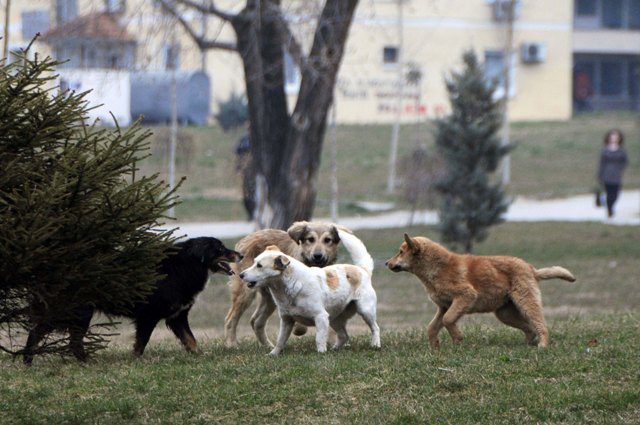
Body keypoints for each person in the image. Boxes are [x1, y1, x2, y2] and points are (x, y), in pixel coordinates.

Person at [598, 129, 628, 218]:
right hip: (607, 174)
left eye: (616, 137)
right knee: (609, 193)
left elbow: (625, 161)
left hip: (616, 175)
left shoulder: (621, 151)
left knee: (615, 195)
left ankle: (609, 206)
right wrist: (600, 175)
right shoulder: (605, 150)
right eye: (612, 137)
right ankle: (610, 210)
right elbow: (601, 163)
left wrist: (620, 168)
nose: (614, 139)